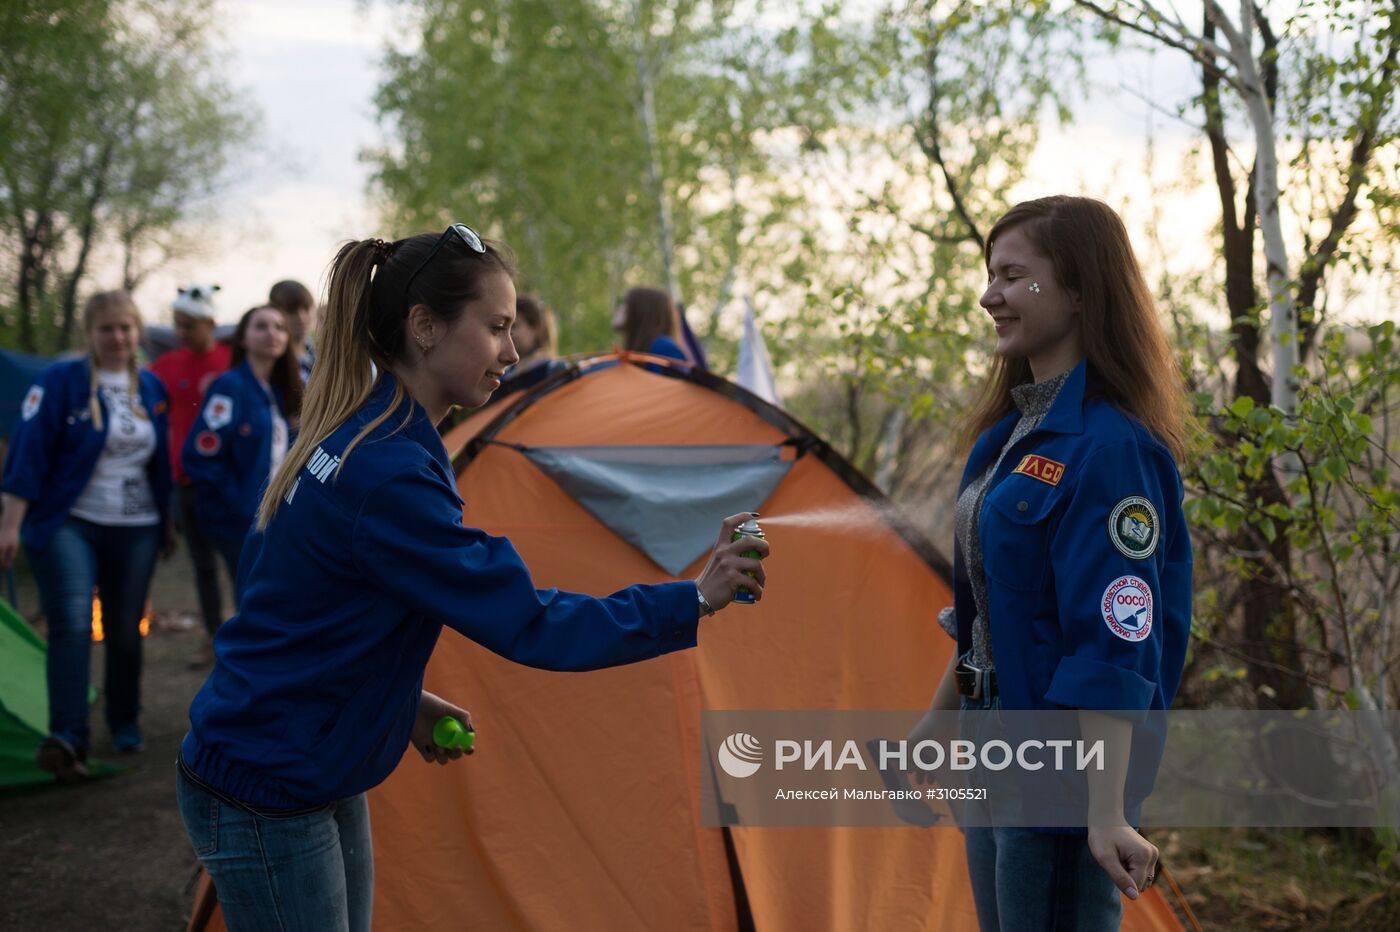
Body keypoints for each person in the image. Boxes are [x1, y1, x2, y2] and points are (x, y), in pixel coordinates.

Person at [175, 223, 768, 931]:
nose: (512, 353)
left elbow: (303, 605)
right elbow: (531, 621)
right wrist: (694, 599)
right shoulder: (388, 472)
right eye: (494, 329)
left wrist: (401, 700)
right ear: (424, 327)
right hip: (268, 780)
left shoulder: (365, 431)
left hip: (305, 757)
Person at [912, 196, 1191, 930]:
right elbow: (987, 609)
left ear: (1076, 291)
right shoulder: (1005, 439)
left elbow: (1115, 642)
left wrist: (1104, 813)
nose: (988, 296)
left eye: (1012, 276)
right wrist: (939, 725)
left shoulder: (1110, 450)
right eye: (988, 275)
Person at [0, 291, 173, 779]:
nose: (118, 337)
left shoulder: (153, 388)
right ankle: (68, 736)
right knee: (74, 624)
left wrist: (169, 522)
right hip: (70, 521)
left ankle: (124, 720)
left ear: (137, 332)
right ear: (90, 334)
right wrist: (10, 522)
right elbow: (28, 455)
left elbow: (161, 463)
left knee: (124, 630)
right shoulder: (59, 381)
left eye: (126, 328)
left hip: (135, 526)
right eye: (107, 329)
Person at [182, 305, 302, 587]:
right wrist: (238, 504)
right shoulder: (230, 387)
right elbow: (200, 456)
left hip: (271, 520)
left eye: (279, 327)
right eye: (261, 326)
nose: (272, 333)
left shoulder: (274, 392)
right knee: (254, 604)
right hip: (239, 522)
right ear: (243, 339)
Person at [151, 283, 231, 665]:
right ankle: (213, 637)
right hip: (186, 485)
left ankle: (248, 640)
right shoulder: (166, 367)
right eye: (177, 325)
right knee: (202, 568)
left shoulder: (231, 361)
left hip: (229, 486)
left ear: (210, 324)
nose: (181, 333)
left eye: (189, 325)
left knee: (242, 565)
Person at [613, 286, 690, 363]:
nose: (619, 308)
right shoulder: (643, 348)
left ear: (641, 310)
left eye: (625, 302)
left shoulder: (665, 349)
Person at [268, 279, 316, 384]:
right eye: (291, 310)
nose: (301, 317)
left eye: (306, 308)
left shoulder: (316, 352)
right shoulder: (271, 363)